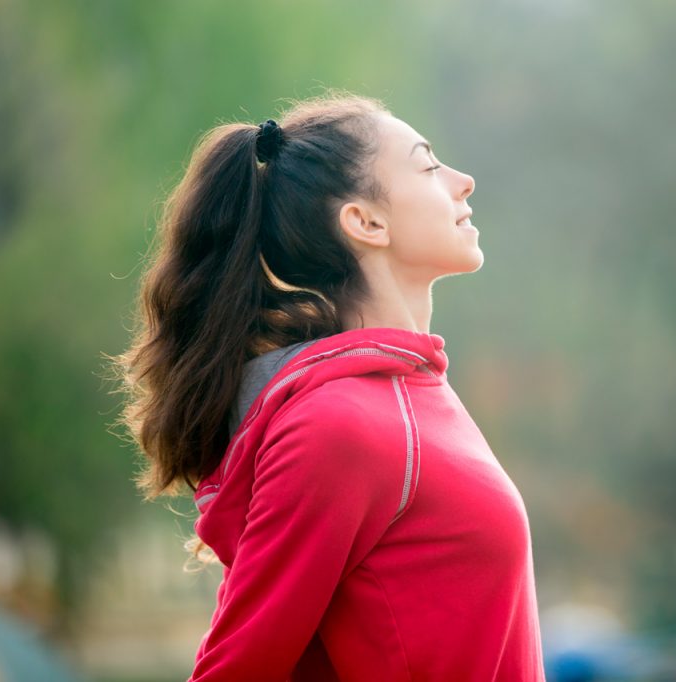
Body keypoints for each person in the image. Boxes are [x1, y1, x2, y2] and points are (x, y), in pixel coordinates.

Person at [111, 91, 546, 681]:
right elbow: (237, 666)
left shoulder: (409, 392)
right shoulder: (341, 424)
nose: (463, 181)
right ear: (365, 222)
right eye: (427, 164)